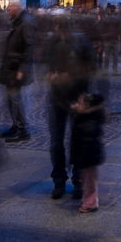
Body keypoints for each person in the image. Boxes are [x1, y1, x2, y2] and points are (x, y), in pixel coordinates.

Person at [41, 16, 95, 199]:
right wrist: (49, 74)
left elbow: (91, 67)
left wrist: (69, 76)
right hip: (57, 97)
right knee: (56, 142)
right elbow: (46, 64)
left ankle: (77, 180)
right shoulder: (52, 42)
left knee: (76, 140)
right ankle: (59, 180)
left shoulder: (82, 42)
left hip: (77, 96)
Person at [0, 1, 35, 143]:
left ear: (17, 8)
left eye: (10, 7)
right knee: (11, 99)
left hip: (16, 68)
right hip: (11, 66)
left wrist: (22, 69)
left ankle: (22, 129)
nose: (7, 9)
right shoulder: (18, 21)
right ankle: (16, 125)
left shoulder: (26, 23)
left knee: (15, 99)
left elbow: (29, 48)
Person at [70, 92, 107, 212]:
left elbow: (87, 141)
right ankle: (88, 200)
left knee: (89, 182)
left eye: (79, 103)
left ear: (87, 106)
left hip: (88, 156)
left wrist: (78, 114)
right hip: (86, 156)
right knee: (87, 180)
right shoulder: (85, 117)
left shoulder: (88, 121)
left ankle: (90, 204)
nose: (76, 105)